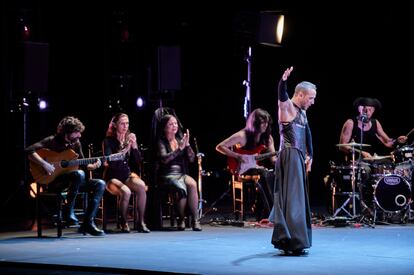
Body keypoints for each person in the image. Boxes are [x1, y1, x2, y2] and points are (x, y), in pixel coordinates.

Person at [25, 116, 105, 236]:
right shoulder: (52, 140)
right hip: (55, 182)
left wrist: (92, 166)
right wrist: (44, 164)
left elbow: (83, 163)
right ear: (68, 132)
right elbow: (28, 150)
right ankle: (68, 212)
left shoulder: (76, 143)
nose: (80, 135)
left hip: (74, 182)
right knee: (79, 174)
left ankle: (87, 223)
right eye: (77, 132)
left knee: (100, 183)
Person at [271, 66, 316, 255]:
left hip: (298, 156)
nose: (313, 102)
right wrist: (283, 81)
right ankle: (291, 241)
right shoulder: (287, 106)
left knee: (298, 200)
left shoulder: (303, 112)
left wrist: (310, 155)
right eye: (311, 98)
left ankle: (295, 240)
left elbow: (307, 133)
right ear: (300, 94)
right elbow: (282, 95)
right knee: (292, 200)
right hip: (289, 155)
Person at [215, 108, 277, 219]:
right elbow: (220, 147)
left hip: (254, 167)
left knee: (274, 174)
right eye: (262, 123)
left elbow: (273, 160)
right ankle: (269, 212)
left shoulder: (268, 138)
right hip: (240, 168)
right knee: (264, 174)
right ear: (255, 123)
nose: (265, 125)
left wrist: (284, 160)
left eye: (267, 122)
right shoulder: (242, 135)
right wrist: (237, 156)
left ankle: (264, 209)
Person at [102, 113, 150, 233]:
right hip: (112, 177)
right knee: (126, 191)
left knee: (141, 186)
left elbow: (138, 161)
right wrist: (125, 149)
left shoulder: (129, 139)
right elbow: (110, 161)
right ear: (115, 125)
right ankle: (123, 222)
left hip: (126, 176)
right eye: (122, 123)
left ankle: (141, 222)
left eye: (127, 123)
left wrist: (134, 146)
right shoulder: (108, 141)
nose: (125, 126)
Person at [156, 114, 202, 231]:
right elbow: (164, 159)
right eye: (170, 124)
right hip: (167, 175)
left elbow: (191, 159)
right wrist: (179, 149)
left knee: (192, 184)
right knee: (181, 188)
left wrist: (187, 146)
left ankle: (195, 220)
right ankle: (181, 219)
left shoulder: (179, 139)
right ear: (165, 127)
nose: (174, 126)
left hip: (181, 173)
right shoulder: (161, 141)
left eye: (175, 123)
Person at [338, 96, 408, 160]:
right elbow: (342, 146)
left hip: (371, 159)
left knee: (388, 165)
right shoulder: (350, 123)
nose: (368, 112)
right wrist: (361, 152)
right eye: (365, 109)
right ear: (360, 109)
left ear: (374, 110)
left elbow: (387, 142)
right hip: (355, 161)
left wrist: (397, 141)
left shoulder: (375, 123)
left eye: (370, 109)